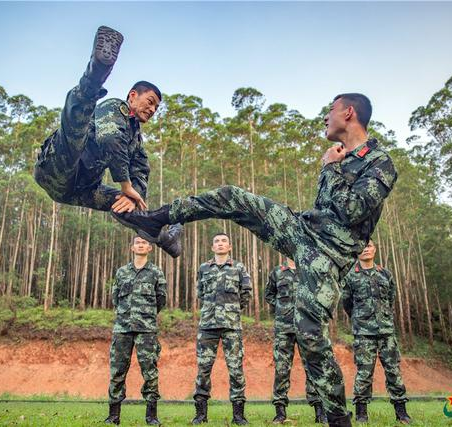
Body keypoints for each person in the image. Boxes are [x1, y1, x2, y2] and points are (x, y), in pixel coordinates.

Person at [118, 93, 398, 427]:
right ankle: (158, 218)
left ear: (348, 112)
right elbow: (324, 207)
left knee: (309, 333)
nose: (326, 117)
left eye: (331, 110)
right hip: (303, 232)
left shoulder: (379, 161)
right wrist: (331, 168)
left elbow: (350, 210)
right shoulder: (338, 157)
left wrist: (329, 167)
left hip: (328, 256)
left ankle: (338, 418)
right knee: (232, 197)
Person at [33, 26, 181, 257]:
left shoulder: (137, 141)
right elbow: (109, 137)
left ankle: (166, 238)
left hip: (79, 189)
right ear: (133, 95)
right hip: (58, 167)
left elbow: (141, 172)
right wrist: (124, 183)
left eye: (156, 107)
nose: (152, 109)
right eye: (149, 101)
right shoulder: (115, 108)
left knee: (124, 206)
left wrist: (131, 195)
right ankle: (98, 70)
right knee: (76, 127)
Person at [341, 240, 412, 424]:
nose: (366, 249)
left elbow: (391, 299)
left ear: (375, 249)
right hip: (363, 334)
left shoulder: (385, 274)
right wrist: (360, 319)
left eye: (369, 246)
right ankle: (362, 413)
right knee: (364, 374)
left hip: (386, 332)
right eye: (362, 247)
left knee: (393, 371)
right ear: (356, 251)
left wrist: (384, 319)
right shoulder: (350, 277)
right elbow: (347, 304)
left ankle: (401, 412)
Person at [191, 233, 252, 425]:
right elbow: (200, 292)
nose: (220, 244)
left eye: (224, 241)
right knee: (203, 370)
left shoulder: (239, 268)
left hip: (231, 326)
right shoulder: (204, 268)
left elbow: (246, 294)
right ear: (212, 247)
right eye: (216, 241)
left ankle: (238, 415)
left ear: (230, 246)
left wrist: (231, 310)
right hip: (208, 325)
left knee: (236, 370)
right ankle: (201, 415)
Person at [106, 236, 167, 425]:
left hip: (146, 330)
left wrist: (146, 316)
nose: (141, 245)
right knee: (117, 371)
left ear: (150, 248)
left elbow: (161, 299)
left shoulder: (156, 272)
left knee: (150, 371)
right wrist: (126, 316)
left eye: (144, 243)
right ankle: (114, 416)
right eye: (137, 243)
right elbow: (115, 297)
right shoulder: (122, 272)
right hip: (122, 329)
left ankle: (151, 416)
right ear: (132, 248)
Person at [265, 257, 326, 424]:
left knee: (313, 368)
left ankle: (319, 410)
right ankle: (280, 411)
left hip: (307, 327)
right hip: (284, 329)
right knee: (281, 369)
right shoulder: (277, 272)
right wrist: (282, 309)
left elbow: (320, 295)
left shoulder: (309, 271)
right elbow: (269, 295)